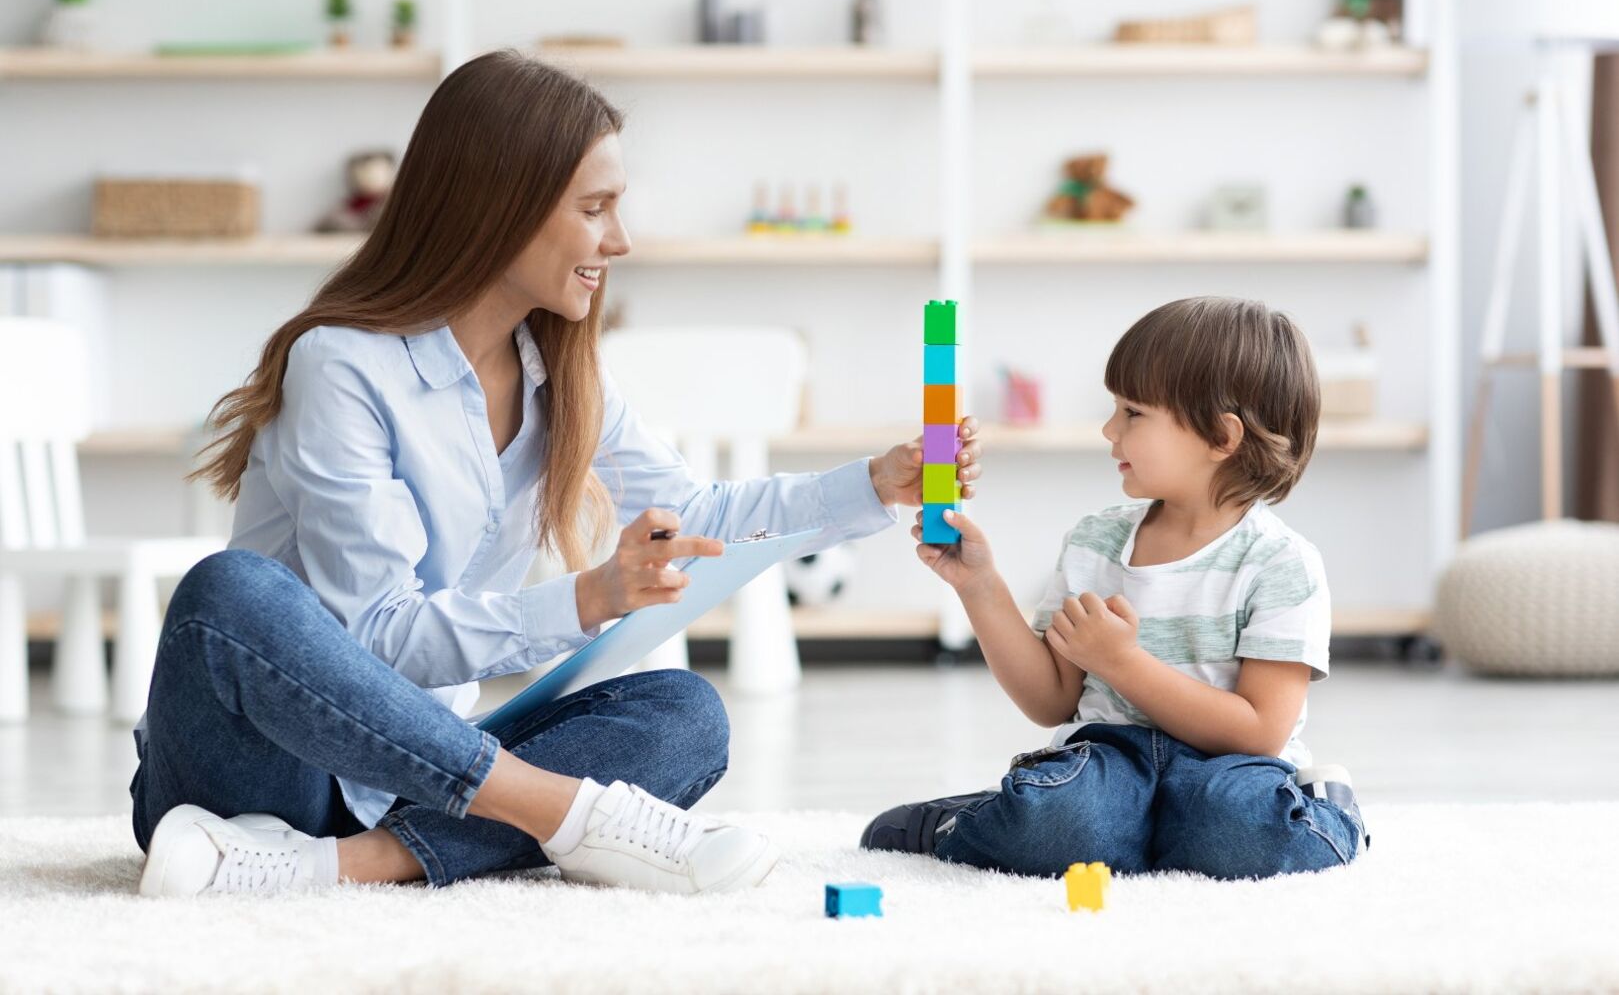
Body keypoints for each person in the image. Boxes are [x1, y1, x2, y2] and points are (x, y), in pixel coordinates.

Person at [131, 50, 982, 898]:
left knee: (683, 717)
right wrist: (587, 598)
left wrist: (878, 483)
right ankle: (565, 817)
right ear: (498, 207)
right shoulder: (343, 365)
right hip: (264, 768)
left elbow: (694, 508)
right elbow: (377, 641)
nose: (619, 240)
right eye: (594, 208)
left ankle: (333, 866)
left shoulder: (561, 374)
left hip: (409, 778)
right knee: (230, 593)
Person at [860, 297, 1366, 880]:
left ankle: (1328, 807)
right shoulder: (1096, 542)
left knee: (1245, 835)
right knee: (1062, 819)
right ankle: (973, 822)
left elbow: (1258, 731)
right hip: (1111, 758)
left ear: (1221, 438)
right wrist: (979, 584)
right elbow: (1050, 700)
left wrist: (1123, 663)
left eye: (1133, 413)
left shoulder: (1282, 563)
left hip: (1229, 771)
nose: (1109, 429)